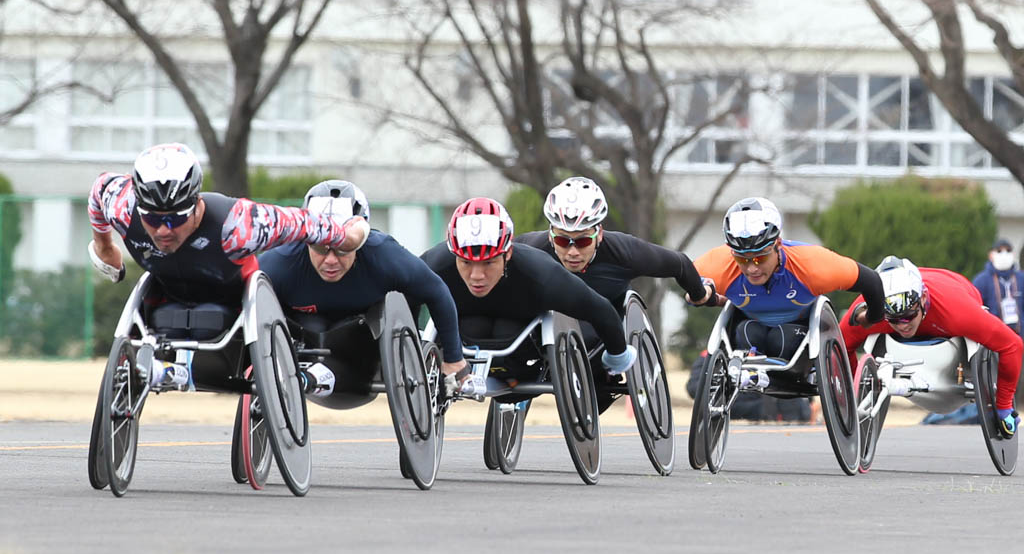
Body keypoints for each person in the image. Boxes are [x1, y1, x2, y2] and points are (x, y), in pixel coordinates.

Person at [86, 143, 368, 391]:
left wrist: (348, 236)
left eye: (174, 219)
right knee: (161, 308)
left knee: (213, 319)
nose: (162, 231)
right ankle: (168, 370)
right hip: (165, 296)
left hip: (232, 307)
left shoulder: (240, 225)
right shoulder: (124, 206)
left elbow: (304, 224)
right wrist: (105, 246)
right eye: (152, 218)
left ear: (196, 204)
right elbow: (99, 189)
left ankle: (179, 371)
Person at [258, 180, 467, 400]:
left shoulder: (383, 255)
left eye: (342, 248)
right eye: (320, 247)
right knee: (310, 325)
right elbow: (244, 301)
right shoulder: (281, 261)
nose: (330, 260)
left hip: (361, 349)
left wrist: (453, 359)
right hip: (300, 340)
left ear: (359, 240)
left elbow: (437, 292)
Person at [419, 197, 636, 384]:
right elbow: (402, 301)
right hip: (462, 333)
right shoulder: (435, 264)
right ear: (454, 254)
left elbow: (598, 309)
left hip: (522, 347)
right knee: (474, 326)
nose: (477, 275)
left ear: (508, 253)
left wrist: (617, 356)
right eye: (466, 262)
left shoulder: (540, 272)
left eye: (489, 263)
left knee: (504, 329)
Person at [839, 256, 1024, 438]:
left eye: (908, 316)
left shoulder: (958, 311)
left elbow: (1012, 345)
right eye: (893, 320)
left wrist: (1004, 404)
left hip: (953, 289)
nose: (902, 325)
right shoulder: (871, 310)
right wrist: (856, 392)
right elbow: (841, 346)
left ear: (923, 300)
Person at [691, 197, 886, 369]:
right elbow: (686, 274)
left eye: (759, 258)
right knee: (748, 333)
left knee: (781, 339)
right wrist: (701, 295)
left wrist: (872, 317)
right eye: (742, 260)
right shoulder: (720, 263)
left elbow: (871, 281)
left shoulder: (812, 265)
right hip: (750, 328)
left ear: (777, 245)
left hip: (799, 333)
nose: (751, 268)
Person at [516, 175, 714, 309]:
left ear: (599, 233)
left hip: (605, 326)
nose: (572, 252)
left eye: (583, 241)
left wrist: (700, 294)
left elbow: (679, 264)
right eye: (562, 240)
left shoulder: (625, 251)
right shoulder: (531, 247)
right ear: (551, 235)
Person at [925, 237, 1024, 425]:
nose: (1004, 255)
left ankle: (1007, 404)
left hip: (1015, 331)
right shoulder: (983, 279)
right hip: (990, 334)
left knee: (1012, 367)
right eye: (999, 250)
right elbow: (973, 305)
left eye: (1007, 250)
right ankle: (985, 409)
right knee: (990, 370)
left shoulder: (1022, 279)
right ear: (991, 254)